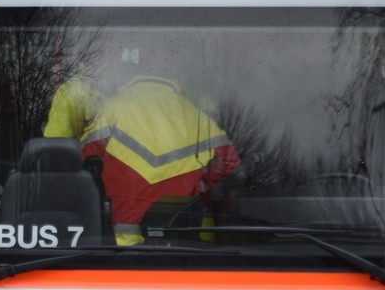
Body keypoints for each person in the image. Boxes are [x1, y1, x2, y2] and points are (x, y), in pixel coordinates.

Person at [80, 62, 240, 245]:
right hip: (181, 244)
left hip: (120, 247)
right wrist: (201, 185)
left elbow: (85, 157)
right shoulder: (195, 115)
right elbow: (229, 159)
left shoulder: (112, 108)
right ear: (172, 79)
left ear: (133, 77)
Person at [44, 72, 107, 141]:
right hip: (70, 145)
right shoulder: (94, 95)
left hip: (50, 142)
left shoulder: (65, 88)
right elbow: (91, 128)